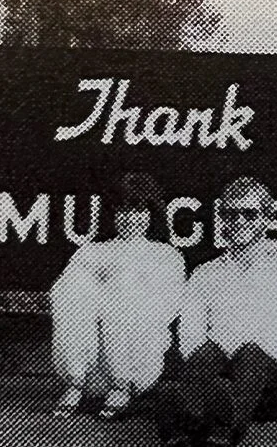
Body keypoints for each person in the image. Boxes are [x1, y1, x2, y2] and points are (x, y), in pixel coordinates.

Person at [158, 177, 277, 447]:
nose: (240, 221)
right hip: (216, 379)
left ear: (266, 219)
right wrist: (222, 370)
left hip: (270, 387)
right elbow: (190, 335)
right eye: (231, 214)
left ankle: (220, 433)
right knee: (207, 352)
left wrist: (261, 366)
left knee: (251, 353)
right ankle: (184, 430)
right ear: (222, 219)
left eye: (250, 214)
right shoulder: (205, 273)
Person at [50, 171, 185, 419]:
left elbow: (165, 306)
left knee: (124, 292)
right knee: (74, 289)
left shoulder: (166, 255)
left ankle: (122, 387)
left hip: (136, 356)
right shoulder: (92, 251)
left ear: (151, 214)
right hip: (92, 360)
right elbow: (66, 294)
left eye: (139, 211)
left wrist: (119, 293)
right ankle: (75, 383)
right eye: (123, 211)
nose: (130, 219)